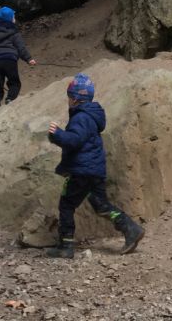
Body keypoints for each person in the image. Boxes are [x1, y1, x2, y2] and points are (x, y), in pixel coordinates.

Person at [46, 73, 144, 259]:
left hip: (81, 171)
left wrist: (57, 134)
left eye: (69, 97)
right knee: (101, 205)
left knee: (66, 204)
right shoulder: (91, 115)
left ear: (75, 98)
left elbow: (74, 140)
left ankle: (65, 246)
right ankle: (131, 228)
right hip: (95, 170)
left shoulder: (81, 118)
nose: (68, 100)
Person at [0, 6, 36, 107]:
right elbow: (21, 48)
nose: (14, 18)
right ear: (10, 19)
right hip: (10, 60)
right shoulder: (14, 33)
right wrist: (29, 59)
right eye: (13, 16)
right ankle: (10, 98)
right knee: (14, 83)